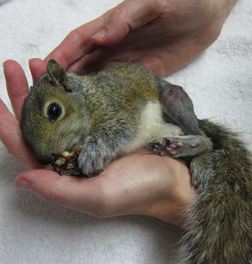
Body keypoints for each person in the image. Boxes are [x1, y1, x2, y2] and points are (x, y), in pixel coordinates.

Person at [0, 0, 236, 228]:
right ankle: (190, 149)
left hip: (159, 105)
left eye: (54, 111)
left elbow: (126, 126)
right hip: (160, 141)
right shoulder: (78, 135)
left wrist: (101, 145)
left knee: (173, 98)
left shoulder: (100, 96)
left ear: (64, 84)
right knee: (166, 145)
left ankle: (201, 145)